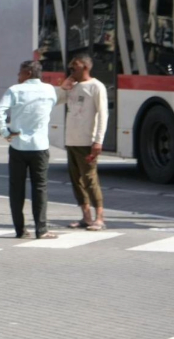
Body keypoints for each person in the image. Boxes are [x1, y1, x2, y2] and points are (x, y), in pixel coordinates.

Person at [0, 60, 59, 240]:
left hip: (18, 146)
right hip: (40, 147)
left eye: (20, 72)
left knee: (16, 189)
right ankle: (41, 230)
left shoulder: (15, 90)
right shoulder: (49, 90)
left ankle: (20, 230)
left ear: (28, 73)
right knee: (40, 188)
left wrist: (5, 132)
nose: (18, 76)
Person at [58, 53, 109, 231]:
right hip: (71, 139)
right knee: (76, 180)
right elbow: (55, 101)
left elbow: (103, 114)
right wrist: (63, 88)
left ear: (85, 67)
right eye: (71, 66)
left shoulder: (96, 86)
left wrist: (98, 141)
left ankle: (99, 218)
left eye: (75, 66)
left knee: (89, 179)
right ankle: (86, 217)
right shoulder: (73, 86)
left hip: (87, 141)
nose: (71, 69)